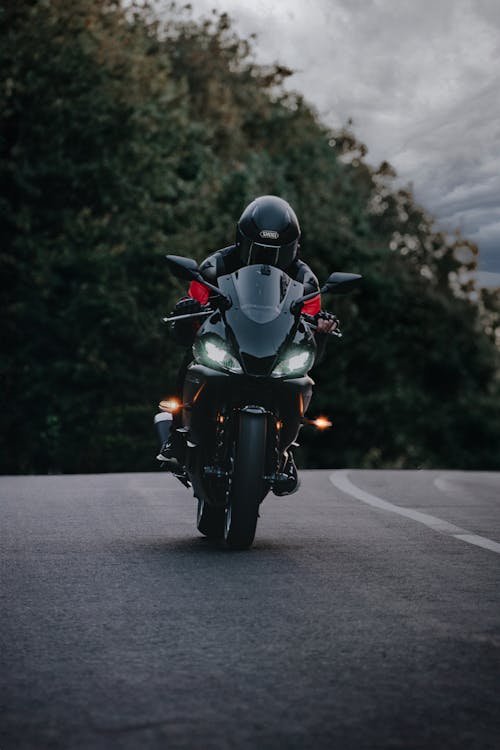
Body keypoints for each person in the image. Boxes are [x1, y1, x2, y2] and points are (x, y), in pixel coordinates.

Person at [157, 195, 338, 493]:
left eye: (277, 251)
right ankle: (177, 433)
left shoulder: (305, 280)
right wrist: (188, 306)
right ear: (243, 241)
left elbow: (308, 318)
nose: (268, 257)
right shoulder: (216, 265)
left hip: (275, 350)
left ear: (293, 247)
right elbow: (196, 301)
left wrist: (322, 325)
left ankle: (285, 450)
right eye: (260, 249)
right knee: (193, 360)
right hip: (230, 340)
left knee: (302, 377)